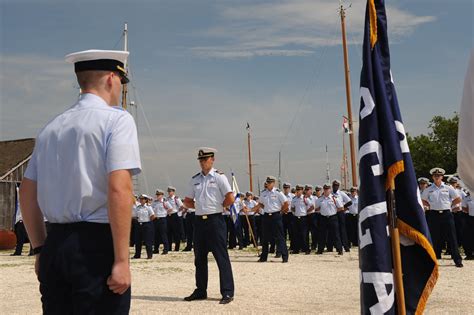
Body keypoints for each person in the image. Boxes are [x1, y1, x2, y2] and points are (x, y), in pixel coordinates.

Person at [19, 49, 141, 313]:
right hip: (94, 246)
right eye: (121, 80)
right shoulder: (117, 120)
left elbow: (27, 193)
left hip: (55, 243)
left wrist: (40, 248)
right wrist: (122, 260)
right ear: (111, 78)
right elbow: (119, 188)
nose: (120, 87)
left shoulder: (51, 128)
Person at [183, 147, 235, 305]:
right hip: (199, 221)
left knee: (221, 257)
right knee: (199, 258)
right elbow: (187, 201)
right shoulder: (195, 179)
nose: (202, 162)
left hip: (215, 221)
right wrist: (199, 207)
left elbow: (230, 197)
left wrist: (220, 207)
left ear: (212, 160)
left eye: (205, 159)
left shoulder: (219, 177)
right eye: (200, 160)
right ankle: (200, 290)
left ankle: (227, 292)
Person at [421, 167, 463, 267]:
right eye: (435, 176)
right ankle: (432, 260)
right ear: (432, 177)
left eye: (438, 176)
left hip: (446, 214)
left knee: (452, 237)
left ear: (442, 177)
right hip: (433, 214)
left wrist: (450, 205)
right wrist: (430, 205)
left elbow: (458, 199)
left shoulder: (448, 188)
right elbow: (422, 200)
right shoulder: (428, 189)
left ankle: (457, 260)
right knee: (434, 237)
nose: (437, 177)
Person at [254, 176, 289, 263]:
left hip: (276, 216)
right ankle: (263, 257)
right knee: (265, 237)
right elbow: (261, 204)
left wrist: (281, 211)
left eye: (270, 182)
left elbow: (286, 203)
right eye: (267, 182)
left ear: (274, 183)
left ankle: (284, 256)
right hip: (266, 216)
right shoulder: (263, 193)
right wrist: (251, 210)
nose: (268, 184)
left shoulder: (278, 192)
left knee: (279, 237)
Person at [315, 184, 344, 255]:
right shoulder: (320, 199)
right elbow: (316, 208)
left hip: (332, 217)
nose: (326, 190)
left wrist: (334, 210)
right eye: (325, 189)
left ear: (330, 190)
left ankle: (339, 250)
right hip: (323, 218)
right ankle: (320, 250)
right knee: (322, 235)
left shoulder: (334, 198)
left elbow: (341, 207)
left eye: (327, 189)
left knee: (336, 234)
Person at [132, 195, 155, 259]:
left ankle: (149, 255)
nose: (141, 200)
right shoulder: (138, 207)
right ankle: (137, 255)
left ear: (146, 200)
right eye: (140, 199)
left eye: (143, 199)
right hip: (139, 224)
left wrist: (148, 221)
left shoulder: (148, 207)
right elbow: (135, 216)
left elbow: (153, 216)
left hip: (146, 224)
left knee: (148, 241)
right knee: (138, 241)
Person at [331, 180, 352, 252]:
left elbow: (350, 202)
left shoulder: (341, 193)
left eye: (336, 185)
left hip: (340, 213)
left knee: (343, 230)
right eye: (334, 185)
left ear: (338, 186)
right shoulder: (330, 194)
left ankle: (346, 246)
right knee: (335, 231)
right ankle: (338, 247)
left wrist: (343, 207)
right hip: (333, 213)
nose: (335, 186)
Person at [291, 185, 309, 254]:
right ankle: (296, 249)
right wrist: (294, 212)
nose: (298, 191)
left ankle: (306, 249)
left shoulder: (305, 198)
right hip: (296, 218)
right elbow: (292, 207)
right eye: (297, 190)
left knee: (304, 234)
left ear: (302, 190)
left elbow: (311, 206)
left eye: (299, 190)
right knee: (296, 234)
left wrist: (306, 212)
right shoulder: (294, 199)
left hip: (303, 218)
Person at [151, 189, 170, 255]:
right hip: (156, 219)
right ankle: (156, 249)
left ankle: (166, 249)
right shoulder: (155, 202)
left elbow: (170, 209)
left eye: (159, 195)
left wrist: (165, 214)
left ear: (162, 195)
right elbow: (152, 209)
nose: (157, 196)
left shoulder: (165, 202)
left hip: (162, 219)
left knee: (163, 234)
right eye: (157, 195)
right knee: (156, 235)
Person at [166, 186, 183, 252]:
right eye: (168, 191)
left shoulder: (176, 198)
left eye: (170, 191)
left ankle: (177, 248)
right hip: (168, 216)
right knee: (169, 232)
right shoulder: (167, 199)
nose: (169, 193)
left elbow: (181, 206)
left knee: (176, 232)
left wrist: (177, 211)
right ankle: (169, 247)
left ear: (173, 192)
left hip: (175, 215)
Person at [281, 183, 294, 251]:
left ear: (289, 188)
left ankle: (292, 246)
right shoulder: (281, 195)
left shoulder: (292, 196)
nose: (286, 189)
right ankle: (284, 246)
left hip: (290, 215)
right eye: (285, 188)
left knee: (291, 231)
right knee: (283, 232)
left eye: (287, 188)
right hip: (283, 215)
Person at [461, 191, 474, 260]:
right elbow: (463, 207)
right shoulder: (467, 198)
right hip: (470, 218)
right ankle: (469, 254)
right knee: (469, 237)